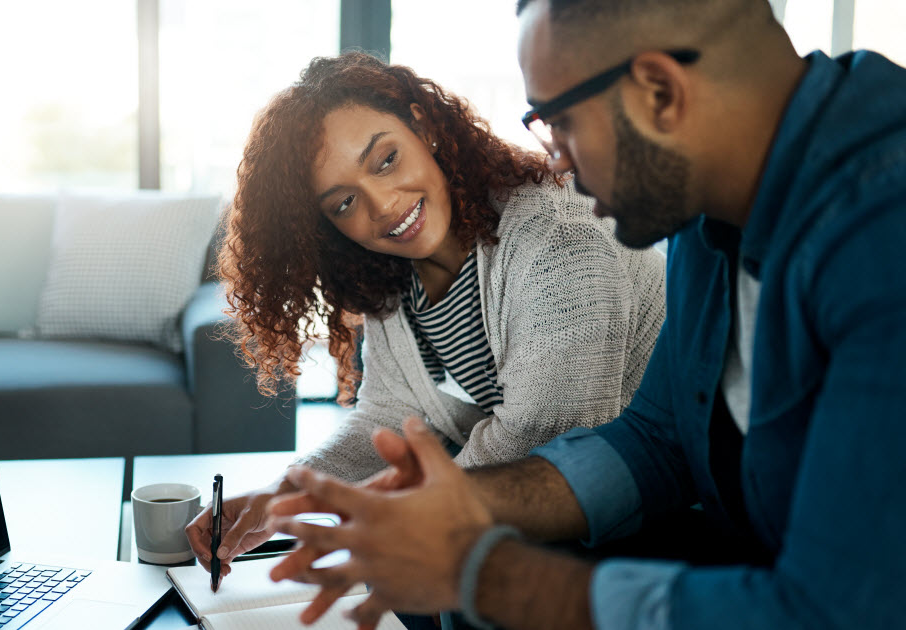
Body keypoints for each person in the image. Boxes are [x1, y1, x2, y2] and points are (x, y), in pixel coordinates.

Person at [265, 0, 906, 629]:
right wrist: (453, 505)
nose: (557, 159)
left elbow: (839, 609)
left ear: (658, 91)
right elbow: (656, 442)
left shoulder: (882, 230)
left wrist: (480, 573)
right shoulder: (708, 216)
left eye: (561, 121)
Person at [185, 52, 667, 582]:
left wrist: (381, 517)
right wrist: (286, 494)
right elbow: (388, 415)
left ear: (424, 127)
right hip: (536, 538)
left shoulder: (559, 238)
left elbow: (540, 437)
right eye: (344, 202)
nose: (384, 206)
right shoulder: (394, 280)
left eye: (386, 160)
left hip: (657, 535)